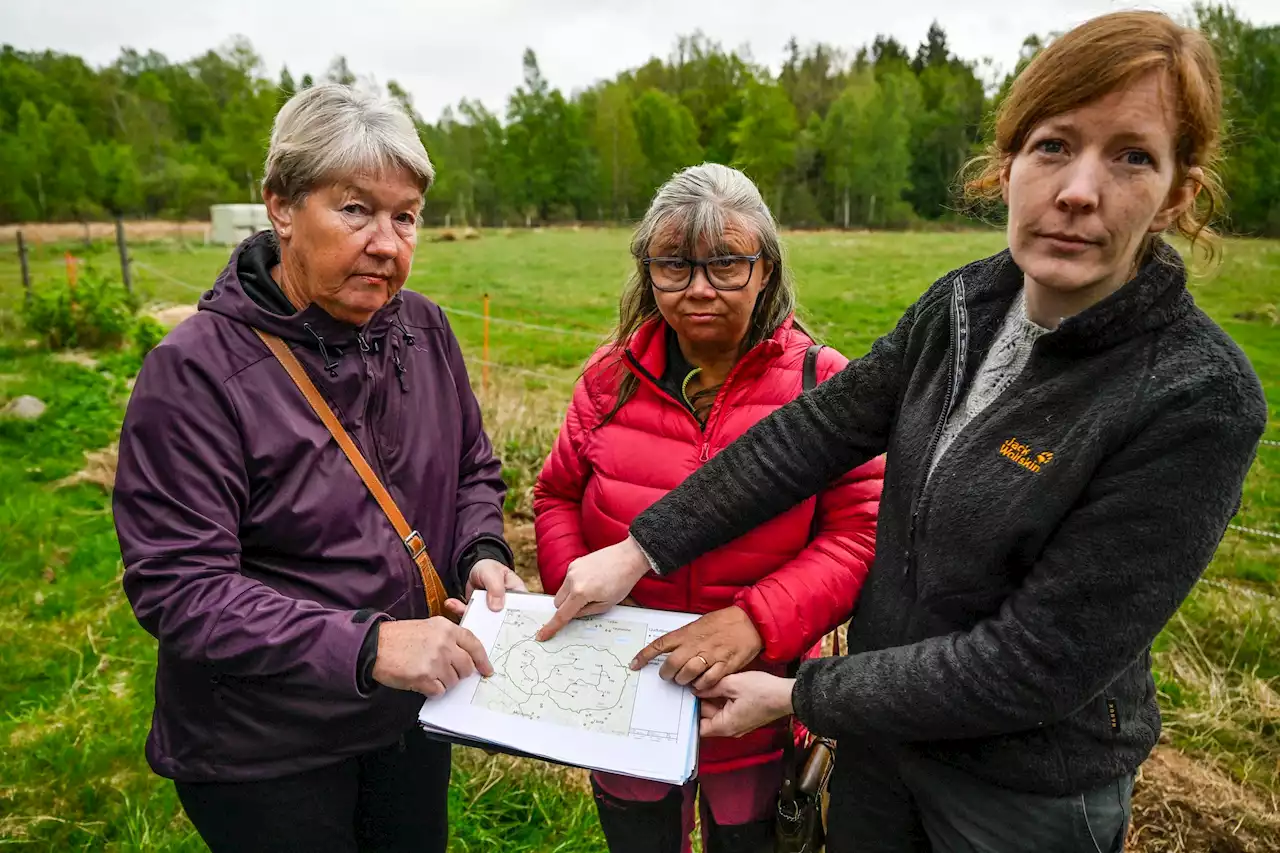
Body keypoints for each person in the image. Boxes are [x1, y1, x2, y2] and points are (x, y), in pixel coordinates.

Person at [538, 13, 1268, 853]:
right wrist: (641, 551)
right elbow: (811, 436)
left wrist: (797, 694)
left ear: (1180, 192)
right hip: (880, 753)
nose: (1078, 190)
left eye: (1133, 156)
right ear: (1008, 165)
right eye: (1054, 146)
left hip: (1017, 790)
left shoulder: (1195, 397)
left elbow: (1033, 661)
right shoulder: (962, 307)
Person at [113, 83, 526, 853]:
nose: (386, 242)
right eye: (355, 209)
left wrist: (483, 553)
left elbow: (472, 463)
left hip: (408, 718)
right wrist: (370, 645)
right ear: (280, 206)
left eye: (405, 216)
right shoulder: (196, 373)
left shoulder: (424, 329)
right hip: (265, 749)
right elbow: (180, 586)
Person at [533, 163, 884, 853]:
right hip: (627, 698)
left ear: (765, 268)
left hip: (755, 703)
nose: (699, 287)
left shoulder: (822, 384)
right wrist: (578, 594)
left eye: (726, 262)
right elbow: (557, 495)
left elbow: (858, 531)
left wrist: (757, 621)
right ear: (647, 269)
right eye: (675, 264)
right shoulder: (609, 380)